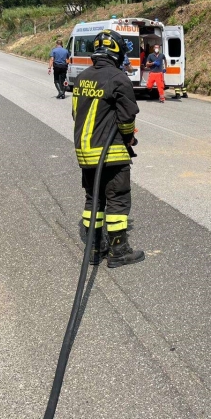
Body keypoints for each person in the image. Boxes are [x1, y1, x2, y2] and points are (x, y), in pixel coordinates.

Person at [72, 29, 144, 268]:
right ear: (118, 51)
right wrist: (129, 138)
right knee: (117, 200)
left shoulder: (81, 77)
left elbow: (76, 113)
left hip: (85, 152)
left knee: (93, 199)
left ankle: (94, 248)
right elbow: (126, 119)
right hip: (110, 152)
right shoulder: (118, 78)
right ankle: (119, 251)